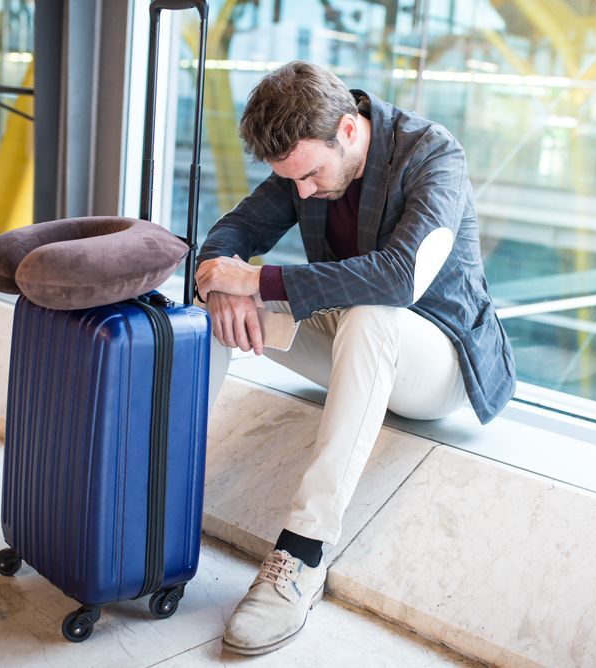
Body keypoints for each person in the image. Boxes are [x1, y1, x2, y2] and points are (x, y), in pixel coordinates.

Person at [194, 61, 515, 655]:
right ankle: (161, 495)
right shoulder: (306, 165)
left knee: (367, 312)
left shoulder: (432, 154)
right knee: (215, 311)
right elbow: (234, 231)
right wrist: (220, 283)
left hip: (440, 362)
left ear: (347, 129)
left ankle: (302, 555)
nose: (305, 193)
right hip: (357, 345)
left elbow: (398, 280)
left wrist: (256, 280)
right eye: (294, 182)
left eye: (312, 176)